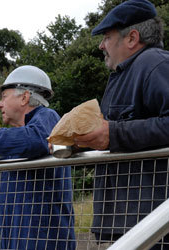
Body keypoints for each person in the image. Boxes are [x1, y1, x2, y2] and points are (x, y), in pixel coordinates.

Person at [75, 0, 169, 247]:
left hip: (152, 227)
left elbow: (117, 134)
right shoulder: (123, 75)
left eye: (106, 37)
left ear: (132, 38)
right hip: (123, 223)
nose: (101, 45)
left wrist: (113, 133)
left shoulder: (155, 64)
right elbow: (114, 136)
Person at [0, 65, 75, 250]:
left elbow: (38, 140)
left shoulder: (48, 117)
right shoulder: (17, 138)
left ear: (24, 97)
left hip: (43, 242)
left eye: (4, 97)